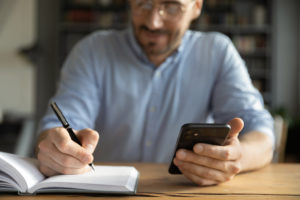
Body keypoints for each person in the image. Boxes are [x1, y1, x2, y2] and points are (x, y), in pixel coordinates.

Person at [36, 0, 274, 186]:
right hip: (102, 192)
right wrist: (58, 149)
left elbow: (261, 132)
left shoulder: (217, 52)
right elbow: (56, 128)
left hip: (185, 192)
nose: (153, 22)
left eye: (171, 7)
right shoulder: (90, 51)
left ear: (196, 7)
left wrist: (237, 157)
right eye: (143, 4)